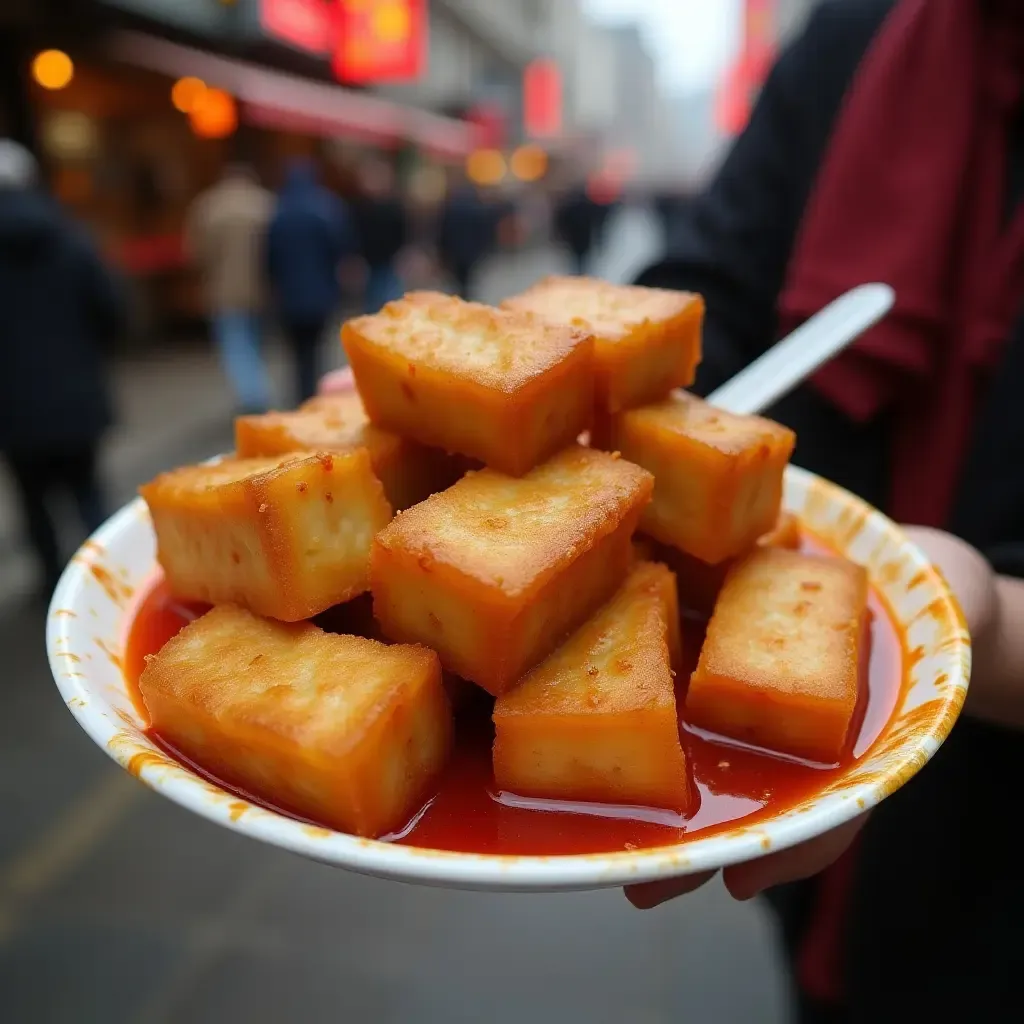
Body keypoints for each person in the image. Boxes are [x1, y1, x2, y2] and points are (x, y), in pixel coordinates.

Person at [626, 0, 1024, 1020]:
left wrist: (972, 620)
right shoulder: (851, 36)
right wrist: (568, 392)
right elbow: (705, 295)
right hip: (815, 862)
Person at [0, 140, 122, 597]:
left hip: (12, 406)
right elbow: (109, 310)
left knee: (33, 498)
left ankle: (53, 584)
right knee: (87, 489)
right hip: (76, 395)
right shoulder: (69, 236)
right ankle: (103, 582)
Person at [186, 163, 273, 413]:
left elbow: (196, 252)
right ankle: (259, 390)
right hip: (261, 289)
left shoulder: (209, 207)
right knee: (255, 341)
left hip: (223, 290)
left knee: (235, 343)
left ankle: (251, 395)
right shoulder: (265, 204)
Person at [267, 158, 353, 404]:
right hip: (321, 293)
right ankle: (317, 392)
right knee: (317, 348)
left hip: (289, 296)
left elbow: (270, 257)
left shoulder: (279, 212)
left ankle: (303, 394)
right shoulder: (325, 208)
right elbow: (339, 249)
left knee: (296, 352)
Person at [351, 158, 408, 312]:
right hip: (368, 263)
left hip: (389, 263)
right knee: (372, 306)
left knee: (389, 303)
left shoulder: (392, 207)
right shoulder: (361, 207)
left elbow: (402, 233)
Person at [437, 180, 499, 300]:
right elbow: (484, 232)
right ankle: (467, 298)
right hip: (473, 253)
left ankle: (461, 298)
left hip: (455, 253)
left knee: (458, 280)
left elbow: (444, 233)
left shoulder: (451, 209)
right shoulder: (479, 209)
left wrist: (443, 252)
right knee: (471, 280)